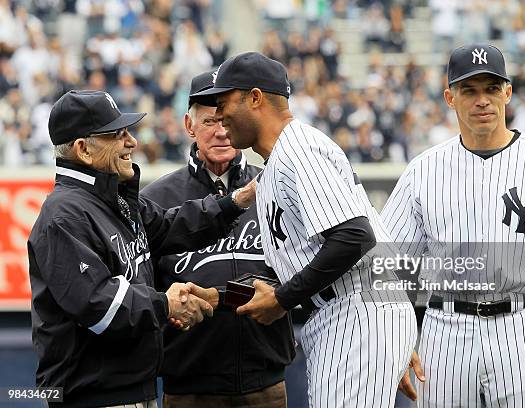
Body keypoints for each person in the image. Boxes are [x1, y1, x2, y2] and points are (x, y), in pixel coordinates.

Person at [381, 44, 525, 407]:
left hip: (522, 327)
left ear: (507, 91)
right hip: (445, 329)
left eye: (490, 88)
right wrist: (399, 339)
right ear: (450, 98)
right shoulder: (423, 171)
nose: (482, 100)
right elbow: (393, 266)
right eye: (469, 90)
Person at [199, 52, 419, 408]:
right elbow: (285, 274)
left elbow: (355, 236)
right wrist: (218, 298)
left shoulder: (298, 148)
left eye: (224, 102)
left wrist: (285, 299)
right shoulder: (274, 167)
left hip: (358, 312)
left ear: (255, 98)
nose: (219, 115)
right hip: (347, 314)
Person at [28, 89, 256, 407]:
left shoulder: (114, 199)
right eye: (117, 134)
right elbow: (100, 306)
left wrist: (235, 202)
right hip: (94, 397)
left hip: (136, 389)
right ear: (83, 149)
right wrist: (167, 304)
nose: (131, 142)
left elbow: (170, 227)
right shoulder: (63, 215)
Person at [141, 70, 295, 408]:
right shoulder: (156, 200)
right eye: (209, 121)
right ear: (189, 125)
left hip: (265, 382)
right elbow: (146, 293)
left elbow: (298, 276)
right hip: (189, 387)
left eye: (227, 119)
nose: (221, 132)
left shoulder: (275, 185)